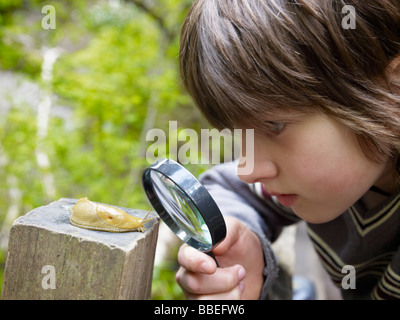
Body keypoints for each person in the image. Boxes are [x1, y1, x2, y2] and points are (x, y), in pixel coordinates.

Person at [175, 0, 400, 299]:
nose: (248, 170)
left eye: (275, 125)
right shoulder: (330, 179)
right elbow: (227, 190)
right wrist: (243, 241)